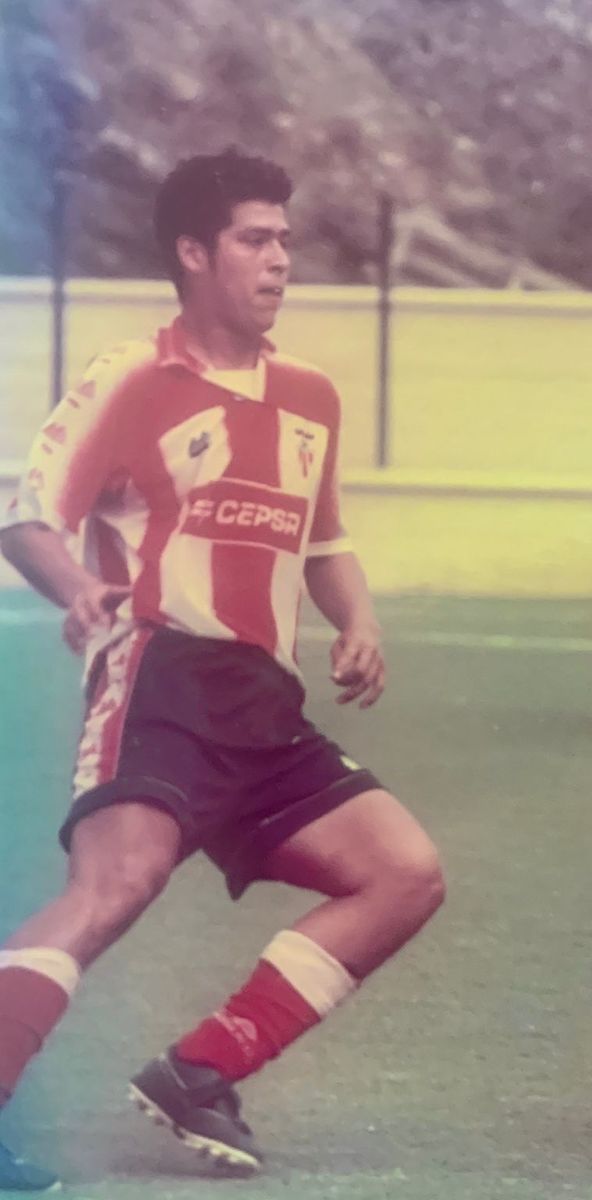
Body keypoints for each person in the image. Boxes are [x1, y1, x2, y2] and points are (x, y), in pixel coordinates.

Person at [0, 149, 445, 1191]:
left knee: (404, 874)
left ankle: (200, 1071)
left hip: (265, 702)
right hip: (159, 675)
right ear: (194, 254)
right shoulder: (133, 377)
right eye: (255, 239)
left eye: (285, 239)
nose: (280, 259)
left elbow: (324, 540)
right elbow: (27, 516)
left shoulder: (310, 395)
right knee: (115, 886)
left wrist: (358, 619)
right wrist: (80, 589)